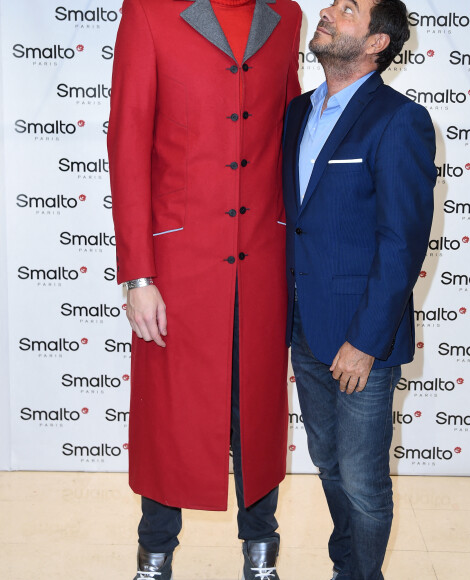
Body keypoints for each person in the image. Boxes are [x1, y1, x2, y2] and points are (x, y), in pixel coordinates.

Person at [107, 0, 302, 578]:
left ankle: (261, 550)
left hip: (264, 259)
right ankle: (155, 553)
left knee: (258, 409)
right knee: (170, 414)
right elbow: (128, 142)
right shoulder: (149, 12)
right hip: (176, 265)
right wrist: (139, 275)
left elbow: (289, 132)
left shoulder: (286, 15)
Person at [282, 1, 436, 578]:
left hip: (361, 342)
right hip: (303, 326)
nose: (327, 11)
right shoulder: (296, 113)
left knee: (365, 482)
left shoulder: (399, 120)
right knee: (327, 463)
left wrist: (366, 342)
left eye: (347, 10)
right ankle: (348, 564)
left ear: (376, 43)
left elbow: (402, 242)